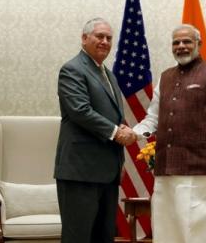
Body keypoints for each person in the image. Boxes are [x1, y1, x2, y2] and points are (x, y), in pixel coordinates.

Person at [133, 24, 206, 243]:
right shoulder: (165, 77)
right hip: (165, 174)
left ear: (199, 45)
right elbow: (153, 117)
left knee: (199, 236)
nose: (181, 46)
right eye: (176, 42)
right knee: (165, 235)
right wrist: (132, 133)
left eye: (187, 41)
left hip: (201, 174)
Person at [54, 17, 136, 243]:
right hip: (80, 172)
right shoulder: (72, 69)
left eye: (109, 38)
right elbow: (80, 111)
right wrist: (117, 132)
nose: (105, 42)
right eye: (99, 36)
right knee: (78, 237)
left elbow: (112, 116)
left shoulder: (108, 74)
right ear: (84, 38)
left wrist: (120, 141)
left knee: (104, 237)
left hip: (107, 172)